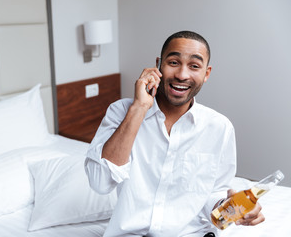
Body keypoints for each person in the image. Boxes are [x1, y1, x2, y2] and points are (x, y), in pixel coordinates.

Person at [84, 30, 264, 237]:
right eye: (173, 62)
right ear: (158, 65)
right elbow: (100, 182)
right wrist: (139, 107)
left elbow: (212, 193)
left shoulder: (220, 128)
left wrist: (232, 208)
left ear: (206, 73)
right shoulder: (121, 112)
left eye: (194, 66)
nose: (182, 75)